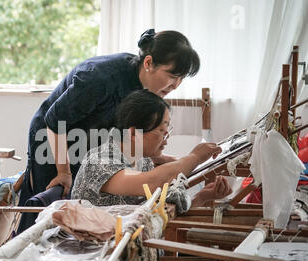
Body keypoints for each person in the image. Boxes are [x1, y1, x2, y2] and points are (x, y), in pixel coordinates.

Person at [17, 28, 200, 233]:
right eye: (172, 75)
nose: (176, 85)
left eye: (181, 78)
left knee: (84, 202)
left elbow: (125, 134)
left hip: (90, 136)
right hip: (52, 133)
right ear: (148, 63)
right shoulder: (99, 78)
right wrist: (63, 171)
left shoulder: (144, 88)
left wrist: (157, 158)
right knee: (52, 204)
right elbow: (55, 119)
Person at [71, 89, 232, 209]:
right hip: (98, 250)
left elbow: (162, 213)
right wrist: (195, 157)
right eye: (162, 130)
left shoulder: (143, 161)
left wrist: (203, 197)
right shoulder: (100, 162)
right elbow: (152, 182)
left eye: (168, 130)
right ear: (134, 132)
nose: (166, 137)